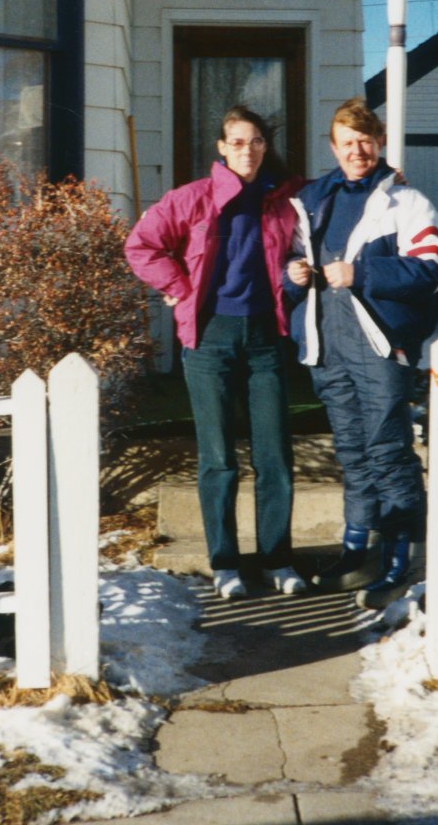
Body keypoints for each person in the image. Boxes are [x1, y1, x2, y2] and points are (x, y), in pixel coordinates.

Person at [125, 105, 306, 601]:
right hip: (210, 339)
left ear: (266, 147)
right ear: (222, 149)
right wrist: (181, 288)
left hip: (266, 337)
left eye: (256, 141)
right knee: (219, 457)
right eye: (238, 142)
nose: (248, 150)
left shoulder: (284, 198)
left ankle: (278, 559)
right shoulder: (194, 198)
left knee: (274, 455)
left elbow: (337, 196)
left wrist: (384, 178)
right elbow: (141, 246)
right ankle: (225, 562)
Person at [284, 98, 438, 609]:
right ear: (333, 148)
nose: (356, 150)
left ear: (378, 144)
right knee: (353, 454)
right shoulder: (312, 200)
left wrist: (362, 274)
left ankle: (400, 560)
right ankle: (357, 552)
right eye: (346, 142)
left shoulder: (406, 202)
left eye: (365, 141)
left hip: (380, 344)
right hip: (328, 343)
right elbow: (292, 264)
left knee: (388, 452)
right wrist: (289, 276)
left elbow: (434, 267)